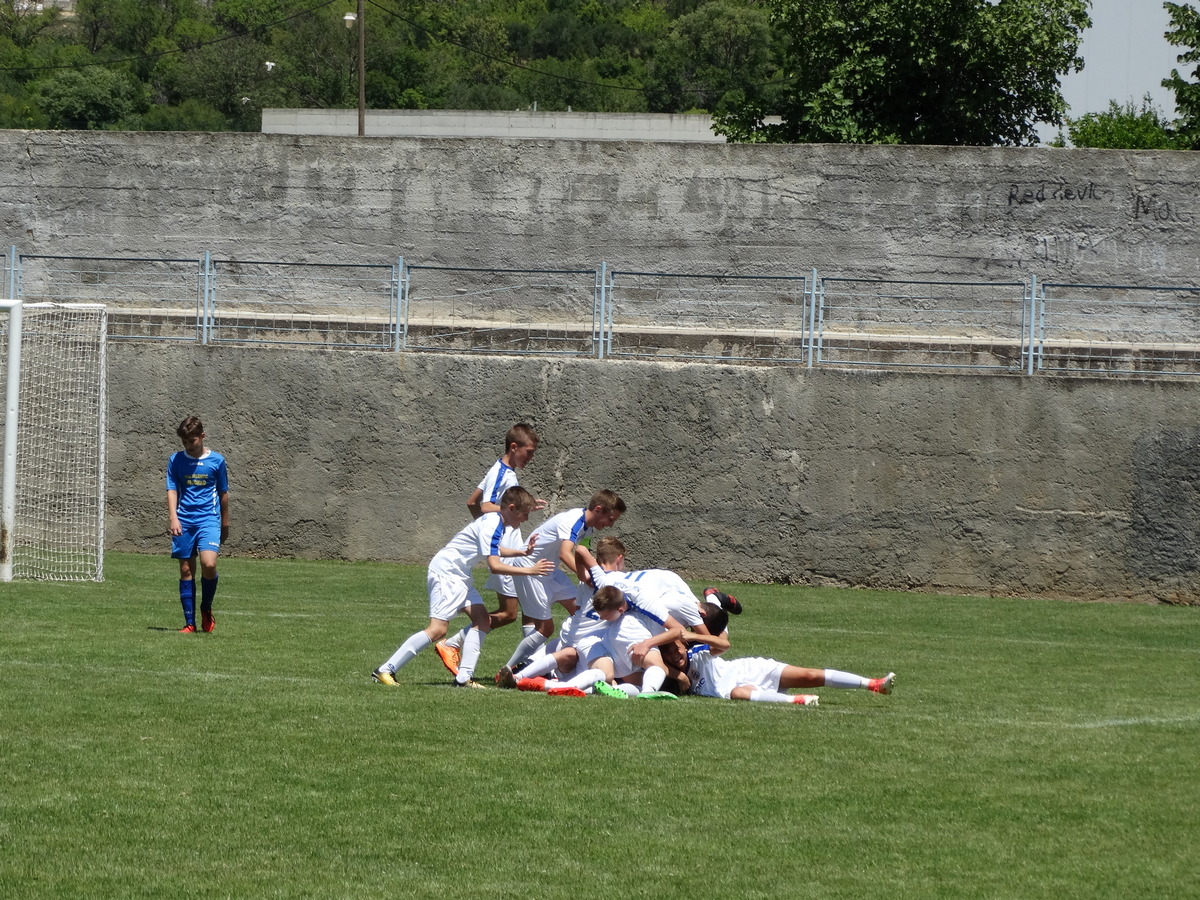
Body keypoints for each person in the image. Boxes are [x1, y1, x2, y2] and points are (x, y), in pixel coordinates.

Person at [372, 486, 554, 688]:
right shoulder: (493, 524)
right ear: (511, 508)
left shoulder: (498, 522)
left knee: (482, 620)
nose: (526, 520)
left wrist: (522, 553)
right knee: (438, 630)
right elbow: (494, 566)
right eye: (524, 515)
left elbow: (494, 548)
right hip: (447, 574)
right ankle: (385, 670)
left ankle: (463, 679)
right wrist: (531, 570)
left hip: (459, 575)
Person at [435, 423, 545, 675]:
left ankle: (530, 664)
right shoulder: (502, 472)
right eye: (528, 452)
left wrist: (520, 508)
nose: (531, 457)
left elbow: (472, 501)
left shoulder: (502, 470)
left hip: (507, 547)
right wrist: (494, 531)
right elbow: (483, 506)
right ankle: (451, 644)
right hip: (506, 550)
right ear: (514, 447)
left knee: (518, 610)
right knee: (511, 613)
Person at [499, 489, 626, 675]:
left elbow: (583, 554)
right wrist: (590, 578)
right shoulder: (574, 520)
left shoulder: (588, 528)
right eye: (611, 519)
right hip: (532, 569)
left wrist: (591, 575)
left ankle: (560, 661)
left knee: (579, 610)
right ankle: (509, 669)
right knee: (545, 628)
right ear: (598, 509)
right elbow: (565, 553)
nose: (610, 524)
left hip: (549, 570)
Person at [681, 628, 896, 705]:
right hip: (728, 690)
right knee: (739, 693)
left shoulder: (696, 650)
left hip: (748, 669)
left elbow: (724, 641)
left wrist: (693, 635)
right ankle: (796, 700)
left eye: (676, 648)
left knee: (810, 675)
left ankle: (875, 684)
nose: (675, 655)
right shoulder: (669, 672)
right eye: (668, 653)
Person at [166, 416, 229, 634]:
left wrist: (225, 523)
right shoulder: (175, 460)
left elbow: (223, 493)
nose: (188, 446)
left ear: (202, 436)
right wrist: (174, 518)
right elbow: (172, 489)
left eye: (191, 441)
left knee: (209, 564)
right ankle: (189, 623)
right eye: (184, 443)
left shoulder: (217, 461)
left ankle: (206, 607)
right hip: (184, 520)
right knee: (186, 569)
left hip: (209, 520)